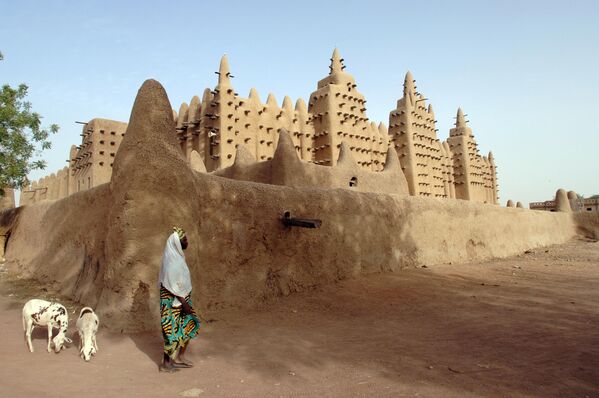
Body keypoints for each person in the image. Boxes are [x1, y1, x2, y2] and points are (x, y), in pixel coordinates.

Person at [158, 226, 200, 372]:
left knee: (188, 326)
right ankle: (166, 363)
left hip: (182, 301)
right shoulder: (171, 262)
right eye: (184, 240)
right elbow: (170, 285)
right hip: (172, 303)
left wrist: (185, 301)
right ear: (177, 243)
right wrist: (184, 303)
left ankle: (178, 357)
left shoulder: (178, 257)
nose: (187, 242)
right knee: (171, 332)